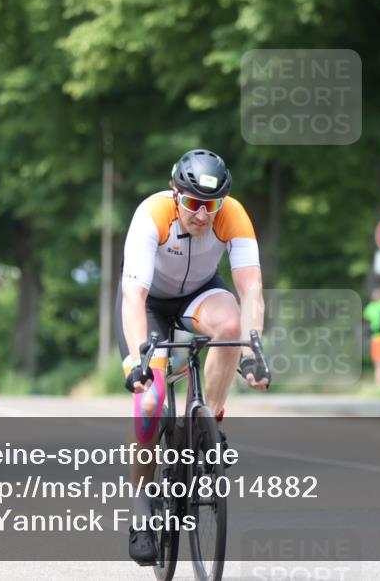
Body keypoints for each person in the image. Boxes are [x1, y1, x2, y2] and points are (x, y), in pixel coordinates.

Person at [118, 149, 268, 565]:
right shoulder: (152, 214)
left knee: (230, 327)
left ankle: (207, 425)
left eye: (211, 205)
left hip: (199, 294)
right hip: (149, 305)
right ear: (175, 193)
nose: (202, 215)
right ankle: (141, 511)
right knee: (150, 405)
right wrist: (139, 361)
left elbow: (251, 289)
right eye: (192, 203)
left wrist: (254, 349)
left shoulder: (232, 215)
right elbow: (134, 296)